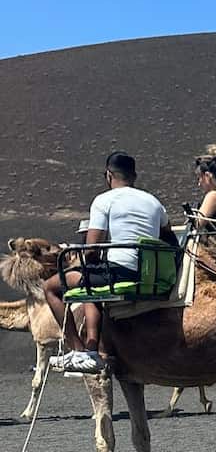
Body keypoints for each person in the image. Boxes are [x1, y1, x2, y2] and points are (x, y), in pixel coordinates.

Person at [44, 151, 179, 374]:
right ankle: (91, 346)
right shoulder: (154, 202)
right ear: (133, 177)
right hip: (149, 274)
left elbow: (93, 248)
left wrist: (81, 259)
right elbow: (169, 238)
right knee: (92, 280)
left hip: (119, 273)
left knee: (50, 287)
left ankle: (78, 350)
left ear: (108, 175)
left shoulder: (103, 200)